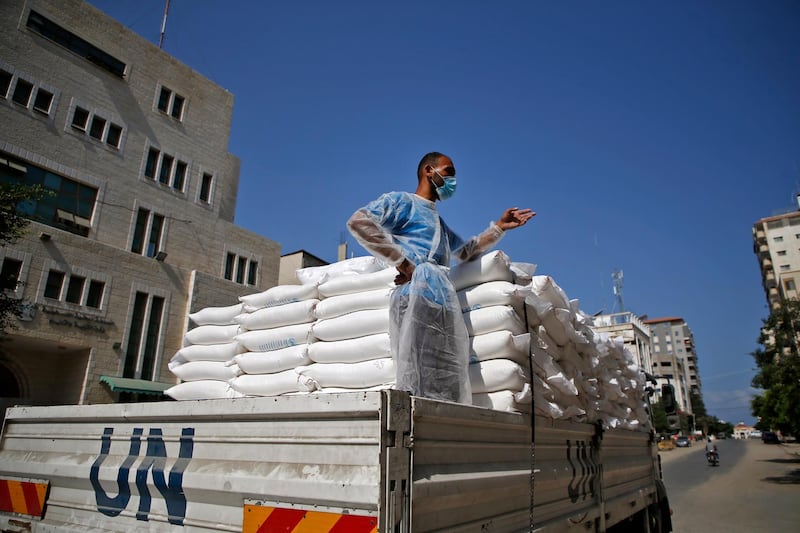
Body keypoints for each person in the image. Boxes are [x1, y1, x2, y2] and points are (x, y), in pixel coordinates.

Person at [346, 152, 535, 403]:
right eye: (448, 172)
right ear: (428, 171)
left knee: (444, 372)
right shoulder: (403, 202)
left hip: (441, 302)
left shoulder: (439, 224)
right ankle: (414, 418)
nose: (453, 180)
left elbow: (467, 251)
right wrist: (404, 263)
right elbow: (360, 221)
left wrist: (499, 227)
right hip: (414, 297)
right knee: (418, 369)